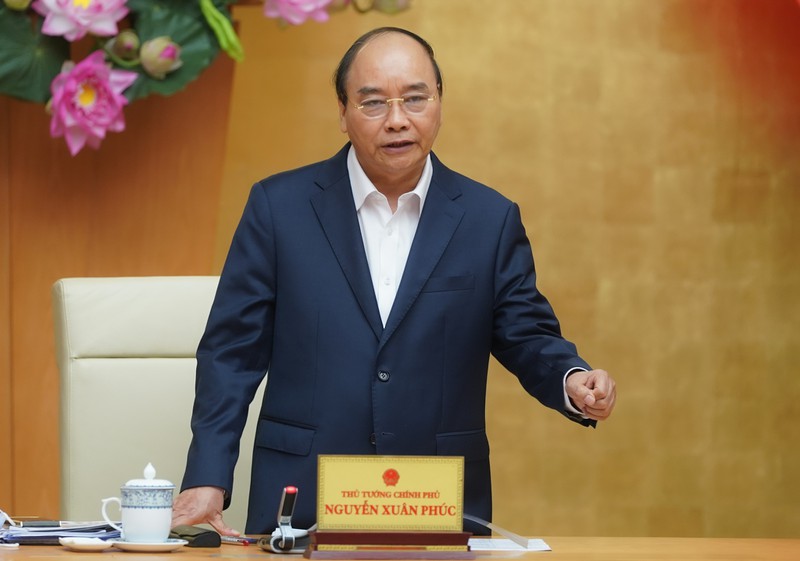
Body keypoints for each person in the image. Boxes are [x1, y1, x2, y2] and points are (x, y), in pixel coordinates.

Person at [172, 26, 616, 537]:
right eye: (373, 102)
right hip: (303, 496)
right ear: (343, 113)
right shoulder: (279, 209)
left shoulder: (488, 219)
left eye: (415, 98)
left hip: (436, 502)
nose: (398, 120)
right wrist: (207, 476)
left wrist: (570, 379)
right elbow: (232, 352)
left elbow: (526, 332)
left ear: (440, 103)